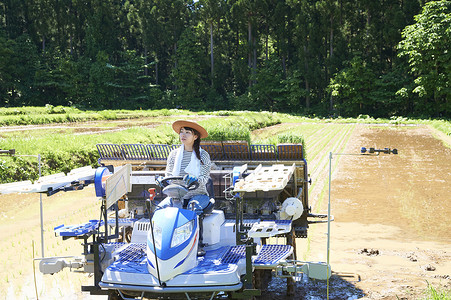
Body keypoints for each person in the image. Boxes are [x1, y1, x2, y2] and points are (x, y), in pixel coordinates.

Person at [159, 120, 212, 213]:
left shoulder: (203, 155)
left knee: (193, 209)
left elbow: (204, 178)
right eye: (181, 132)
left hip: (198, 195)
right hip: (176, 196)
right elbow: (169, 175)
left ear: (195, 137)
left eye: (187, 132)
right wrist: (162, 180)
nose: (183, 135)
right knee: (160, 208)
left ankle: (197, 227)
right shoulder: (173, 154)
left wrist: (195, 179)